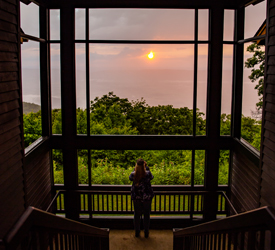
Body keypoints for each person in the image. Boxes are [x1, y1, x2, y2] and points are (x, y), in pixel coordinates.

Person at [129, 158, 154, 238]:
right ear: (144, 165)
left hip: (136, 197)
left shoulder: (133, 174)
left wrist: (135, 169)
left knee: (137, 214)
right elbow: (152, 177)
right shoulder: (147, 173)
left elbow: (130, 178)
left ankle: (137, 232)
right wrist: (146, 167)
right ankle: (146, 232)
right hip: (147, 197)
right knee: (147, 214)